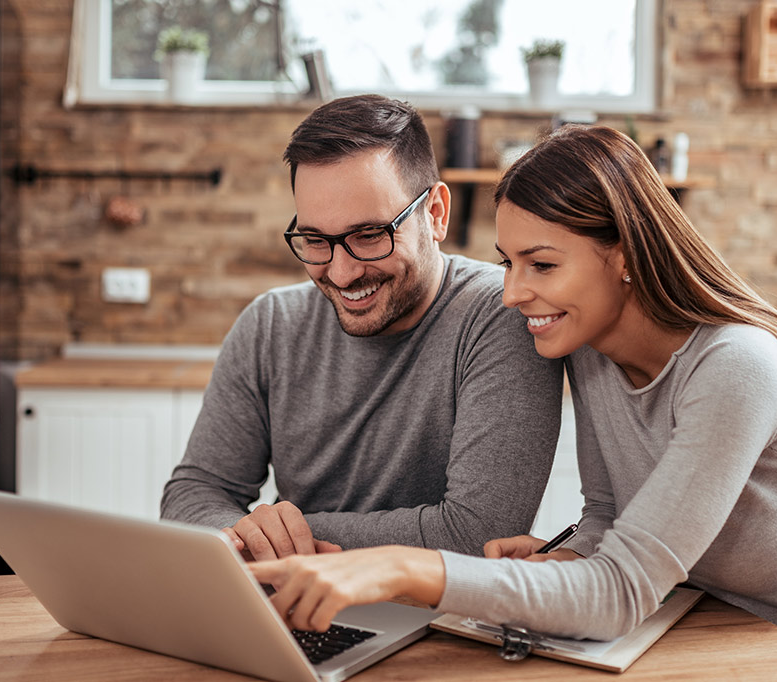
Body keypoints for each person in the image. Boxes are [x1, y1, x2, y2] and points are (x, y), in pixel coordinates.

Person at [248, 124, 777, 681]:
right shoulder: (593, 351)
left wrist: (404, 565)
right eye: (507, 262)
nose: (512, 294)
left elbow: (623, 590)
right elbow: (608, 519)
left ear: (623, 255)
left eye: (541, 265)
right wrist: (566, 556)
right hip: (702, 650)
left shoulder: (736, 367)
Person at [160, 94, 564, 560]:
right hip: (295, 601)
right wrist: (256, 535)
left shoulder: (502, 313)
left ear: (434, 213)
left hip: (432, 616)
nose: (343, 273)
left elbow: (478, 533)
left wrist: (280, 537)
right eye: (315, 240)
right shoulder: (270, 324)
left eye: (369, 235)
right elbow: (193, 495)